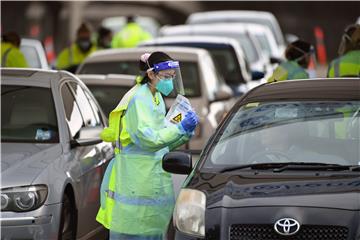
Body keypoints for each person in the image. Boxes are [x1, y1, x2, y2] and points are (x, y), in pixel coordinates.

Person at [96, 51, 199, 240]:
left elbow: (162, 141)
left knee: (151, 232)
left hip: (148, 182)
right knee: (133, 232)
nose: (170, 81)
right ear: (151, 74)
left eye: (172, 77)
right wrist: (179, 129)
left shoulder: (156, 97)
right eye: (166, 77)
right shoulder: (138, 99)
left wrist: (185, 132)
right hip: (135, 182)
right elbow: (148, 139)